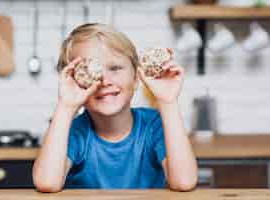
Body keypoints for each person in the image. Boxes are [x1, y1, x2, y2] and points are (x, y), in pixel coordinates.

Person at [32, 23, 197, 192]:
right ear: (74, 81)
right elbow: (47, 183)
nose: (105, 81)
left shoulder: (154, 125)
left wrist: (168, 102)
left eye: (115, 68)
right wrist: (66, 106)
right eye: (90, 70)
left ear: (136, 78)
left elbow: (183, 182)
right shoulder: (75, 132)